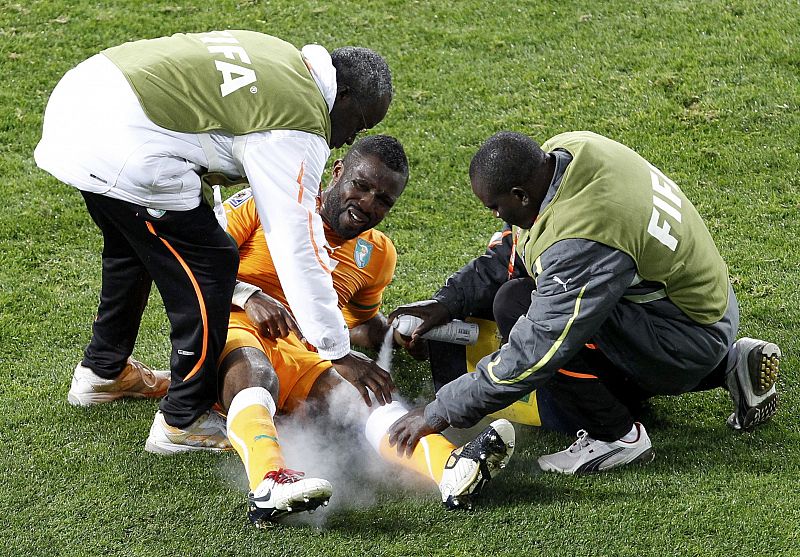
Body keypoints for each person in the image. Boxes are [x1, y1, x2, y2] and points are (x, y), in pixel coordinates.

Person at [34, 30, 394, 451]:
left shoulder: (282, 55)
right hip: (123, 144)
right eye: (360, 123)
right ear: (344, 96)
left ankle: (103, 371)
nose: (351, 139)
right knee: (212, 265)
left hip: (81, 105)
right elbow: (296, 240)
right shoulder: (301, 126)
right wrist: (336, 350)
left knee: (131, 246)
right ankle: (183, 419)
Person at [387, 130, 781, 475]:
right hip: (697, 314)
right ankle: (731, 365)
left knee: (521, 311)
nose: (496, 216)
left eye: (495, 207)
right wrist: (445, 302)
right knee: (525, 296)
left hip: (684, 340)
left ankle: (616, 437)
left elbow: (537, 349)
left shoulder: (582, 236)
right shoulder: (571, 150)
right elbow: (521, 252)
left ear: (521, 195)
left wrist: (439, 411)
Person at [198, 135, 514, 525]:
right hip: (230, 327)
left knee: (366, 395)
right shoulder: (269, 199)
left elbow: (360, 323)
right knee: (256, 371)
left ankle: (450, 470)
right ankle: (269, 483)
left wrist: (394, 335)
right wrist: (248, 296)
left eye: (383, 200)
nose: (367, 204)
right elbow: (193, 263)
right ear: (337, 172)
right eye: (361, 187)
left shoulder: (377, 253)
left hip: (307, 350)